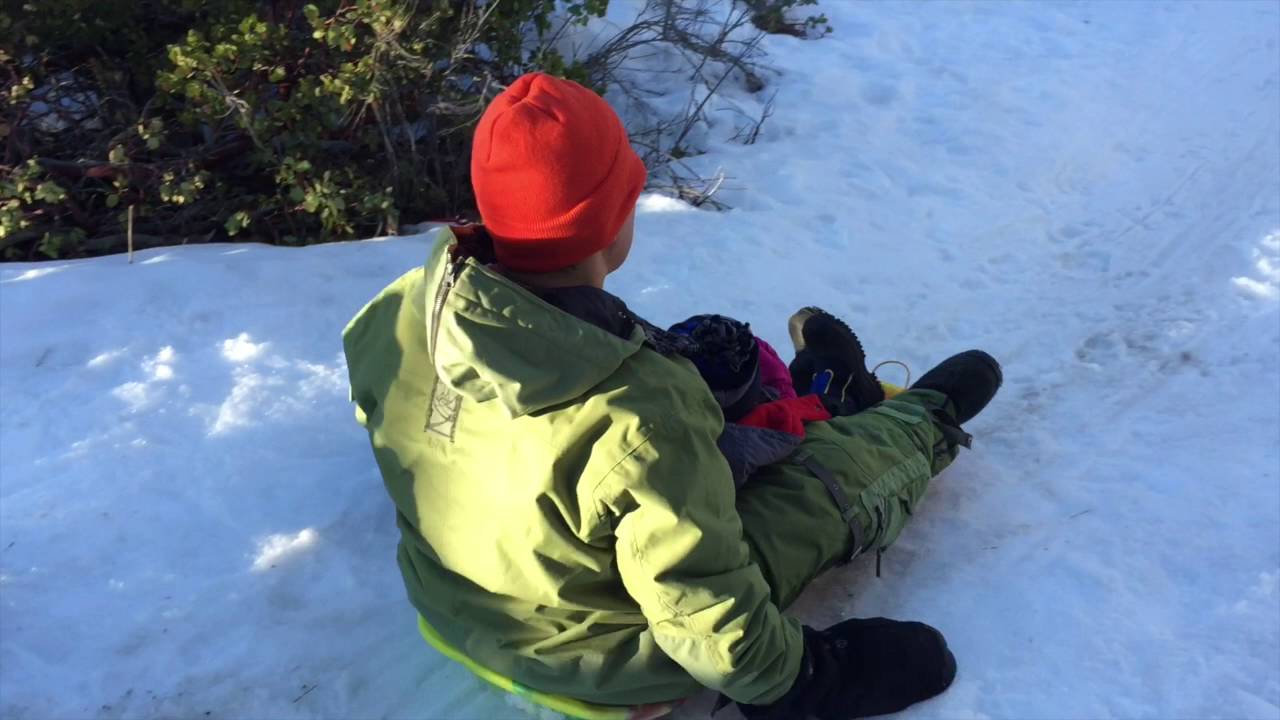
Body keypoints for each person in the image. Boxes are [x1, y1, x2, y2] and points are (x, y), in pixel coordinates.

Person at [342, 72, 1002, 719]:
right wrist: (800, 679)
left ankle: (823, 394)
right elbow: (698, 600)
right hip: (605, 657)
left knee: (690, 394)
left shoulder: (404, 312)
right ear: (613, 218)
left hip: (455, 600)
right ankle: (923, 420)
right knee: (818, 490)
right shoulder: (639, 414)